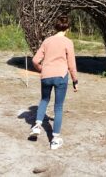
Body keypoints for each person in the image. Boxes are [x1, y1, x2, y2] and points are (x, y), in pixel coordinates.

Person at [29, 15, 78, 150]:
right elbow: (71, 64)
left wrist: (42, 69)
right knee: (58, 107)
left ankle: (37, 126)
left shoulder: (47, 41)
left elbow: (34, 60)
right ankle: (55, 139)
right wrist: (75, 80)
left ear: (55, 27)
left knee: (44, 100)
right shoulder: (68, 42)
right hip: (61, 76)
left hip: (46, 75)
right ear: (67, 28)